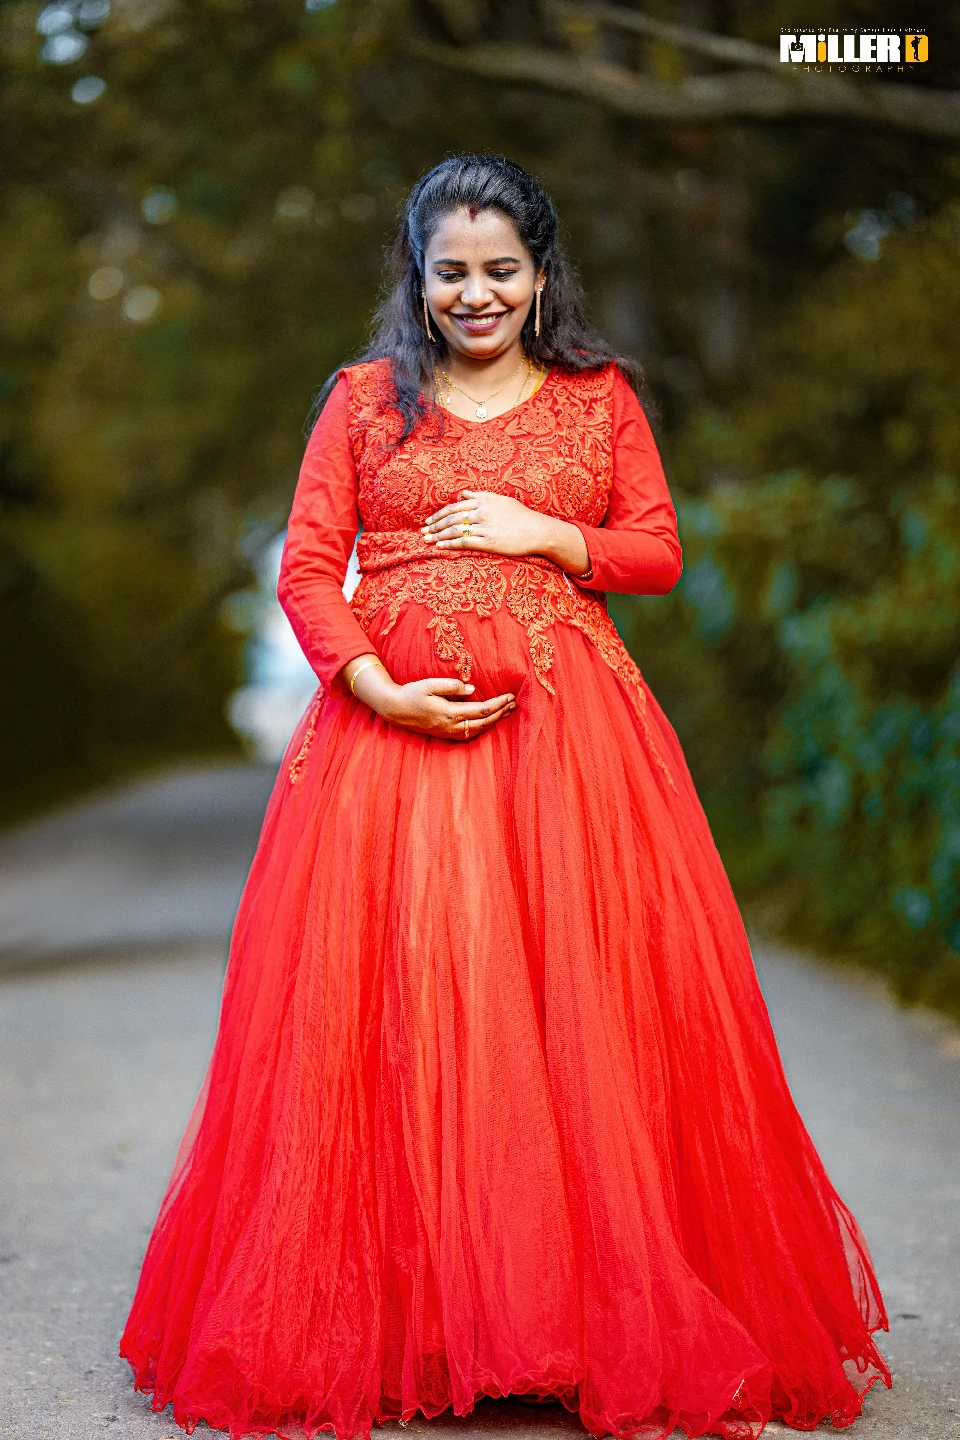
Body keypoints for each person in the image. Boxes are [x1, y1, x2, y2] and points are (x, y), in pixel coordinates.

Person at [121, 154, 891, 1440]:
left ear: (541, 276)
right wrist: (373, 683)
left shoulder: (599, 398)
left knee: (570, 1013)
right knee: (413, 1010)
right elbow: (311, 566)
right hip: (389, 751)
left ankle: (570, 1319)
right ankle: (420, 1320)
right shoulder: (363, 402)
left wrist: (550, 538)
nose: (475, 296)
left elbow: (657, 549)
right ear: (416, 279)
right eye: (451, 273)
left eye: (501, 272)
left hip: (571, 756)